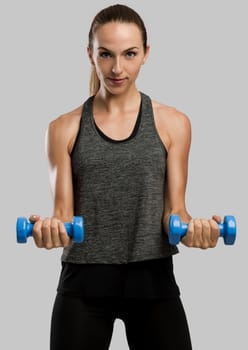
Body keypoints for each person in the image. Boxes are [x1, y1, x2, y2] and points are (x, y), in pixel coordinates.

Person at [30, 4, 221, 350]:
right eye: (105, 54)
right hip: (83, 284)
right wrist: (49, 231)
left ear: (146, 53)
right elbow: (63, 216)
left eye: (129, 54)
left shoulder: (173, 123)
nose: (117, 68)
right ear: (89, 54)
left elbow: (174, 214)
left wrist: (196, 232)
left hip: (153, 282)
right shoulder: (63, 128)